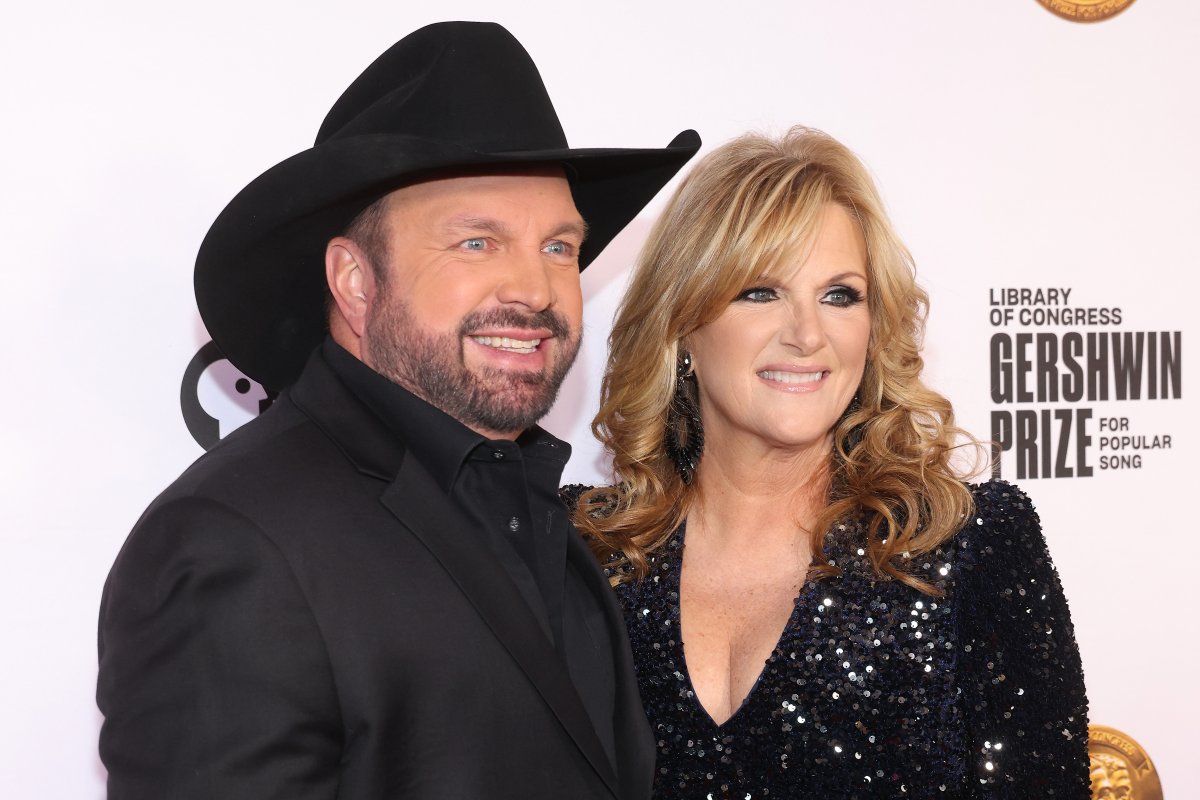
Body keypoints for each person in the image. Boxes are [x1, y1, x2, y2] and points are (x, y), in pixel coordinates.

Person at [97, 21, 699, 800]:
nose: (537, 289)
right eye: (477, 243)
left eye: (559, 246)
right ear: (354, 281)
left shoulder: (549, 519)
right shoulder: (231, 543)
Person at [571, 127, 1090, 798]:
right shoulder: (586, 552)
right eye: (760, 292)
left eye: (840, 295)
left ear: (873, 330)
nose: (808, 334)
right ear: (684, 327)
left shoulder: (966, 543)